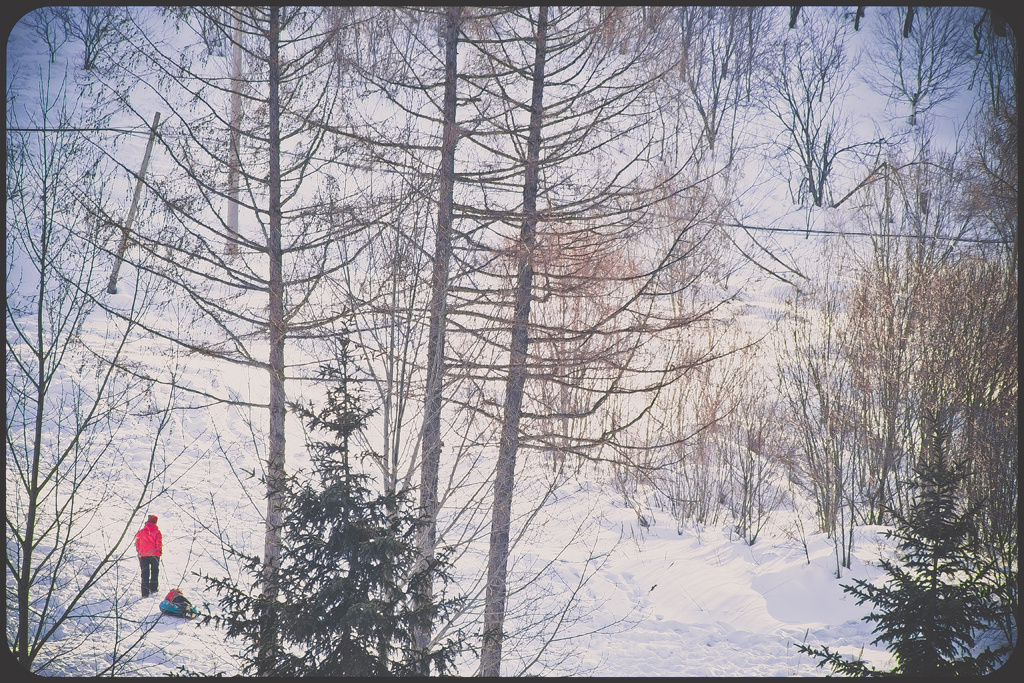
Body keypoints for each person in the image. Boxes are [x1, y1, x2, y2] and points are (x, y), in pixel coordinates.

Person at [135, 514, 163, 597]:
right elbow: (159, 543)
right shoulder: (157, 532)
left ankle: (145, 592)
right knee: (154, 572)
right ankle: (153, 589)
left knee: (145, 574)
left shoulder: (141, 532)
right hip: (154, 555)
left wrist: (140, 551)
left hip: (143, 555)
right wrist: (159, 552)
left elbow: (137, 542)